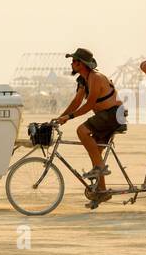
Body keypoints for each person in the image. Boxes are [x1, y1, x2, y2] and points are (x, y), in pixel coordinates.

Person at [52, 48, 125, 205]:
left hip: (113, 115)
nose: (71, 64)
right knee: (96, 153)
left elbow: (90, 103)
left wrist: (70, 117)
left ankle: (100, 168)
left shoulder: (95, 77)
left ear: (82, 64)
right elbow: (76, 102)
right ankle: (102, 191)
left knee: (82, 131)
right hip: (104, 116)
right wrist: (61, 118)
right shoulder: (82, 80)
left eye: (74, 61)